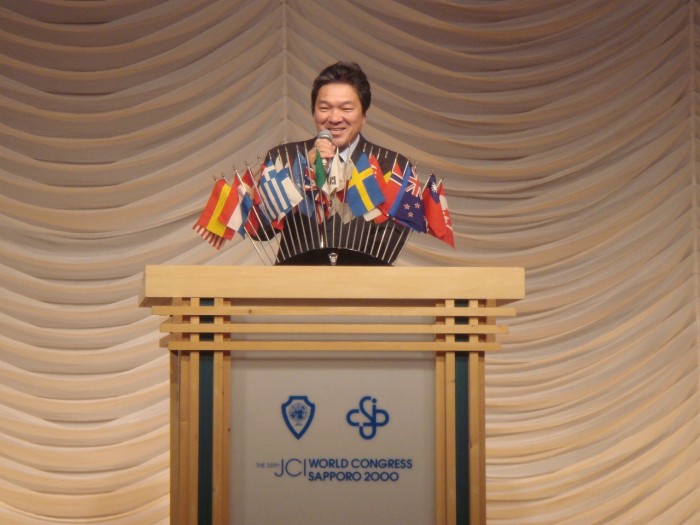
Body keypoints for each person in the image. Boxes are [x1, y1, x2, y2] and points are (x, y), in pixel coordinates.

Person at [257, 61, 413, 265]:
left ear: (364, 115)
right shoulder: (284, 158)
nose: (334, 118)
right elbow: (260, 230)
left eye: (346, 108)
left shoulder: (392, 165)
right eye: (324, 108)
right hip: (294, 280)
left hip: (363, 281)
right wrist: (303, 172)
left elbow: (390, 242)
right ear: (314, 112)